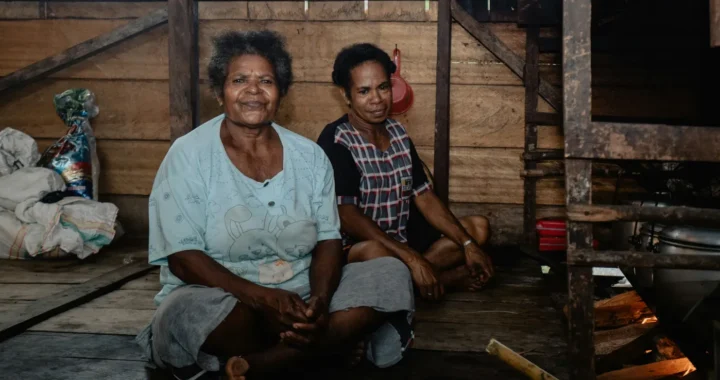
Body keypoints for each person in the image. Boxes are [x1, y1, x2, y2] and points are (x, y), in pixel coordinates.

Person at [135, 31, 415, 380]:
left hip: (302, 298)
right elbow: (182, 257)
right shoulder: (188, 155)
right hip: (225, 300)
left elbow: (329, 239)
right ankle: (324, 347)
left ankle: (266, 362)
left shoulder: (309, 156)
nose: (253, 90)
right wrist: (261, 299)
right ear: (220, 93)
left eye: (265, 80)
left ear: (280, 91)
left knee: (390, 272)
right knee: (182, 312)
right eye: (239, 80)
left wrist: (321, 303)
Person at [317, 43, 495, 302]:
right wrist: (411, 258)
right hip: (358, 250)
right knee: (375, 253)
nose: (377, 100)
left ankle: (419, 278)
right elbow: (346, 215)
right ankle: (442, 280)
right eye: (364, 91)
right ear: (346, 95)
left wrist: (468, 245)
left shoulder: (398, 134)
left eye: (383, 87)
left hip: (401, 243)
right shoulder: (337, 140)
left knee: (477, 228)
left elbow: (423, 196)